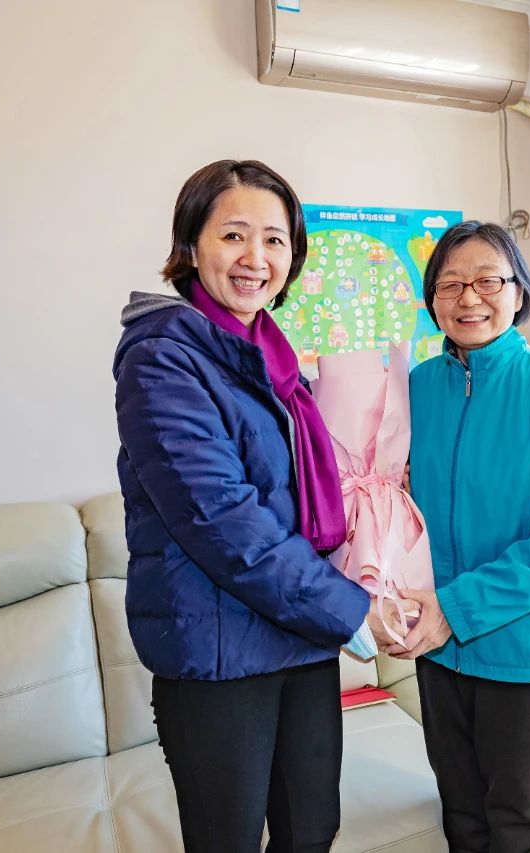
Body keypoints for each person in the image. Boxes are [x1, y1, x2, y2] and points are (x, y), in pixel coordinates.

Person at [113, 159, 393, 853]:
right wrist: (348, 607)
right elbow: (223, 520)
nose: (256, 258)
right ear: (191, 245)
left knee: (311, 831)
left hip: (299, 634)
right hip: (217, 651)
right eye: (234, 235)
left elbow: (302, 495)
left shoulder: (270, 355)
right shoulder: (162, 357)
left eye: (274, 240)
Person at [391, 220, 530, 852]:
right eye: (450, 284)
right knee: (461, 816)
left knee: (521, 829)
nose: (469, 298)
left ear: (519, 292)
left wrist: (455, 609)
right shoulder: (415, 388)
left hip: (526, 655)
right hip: (438, 651)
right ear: (432, 299)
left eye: (488, 280)